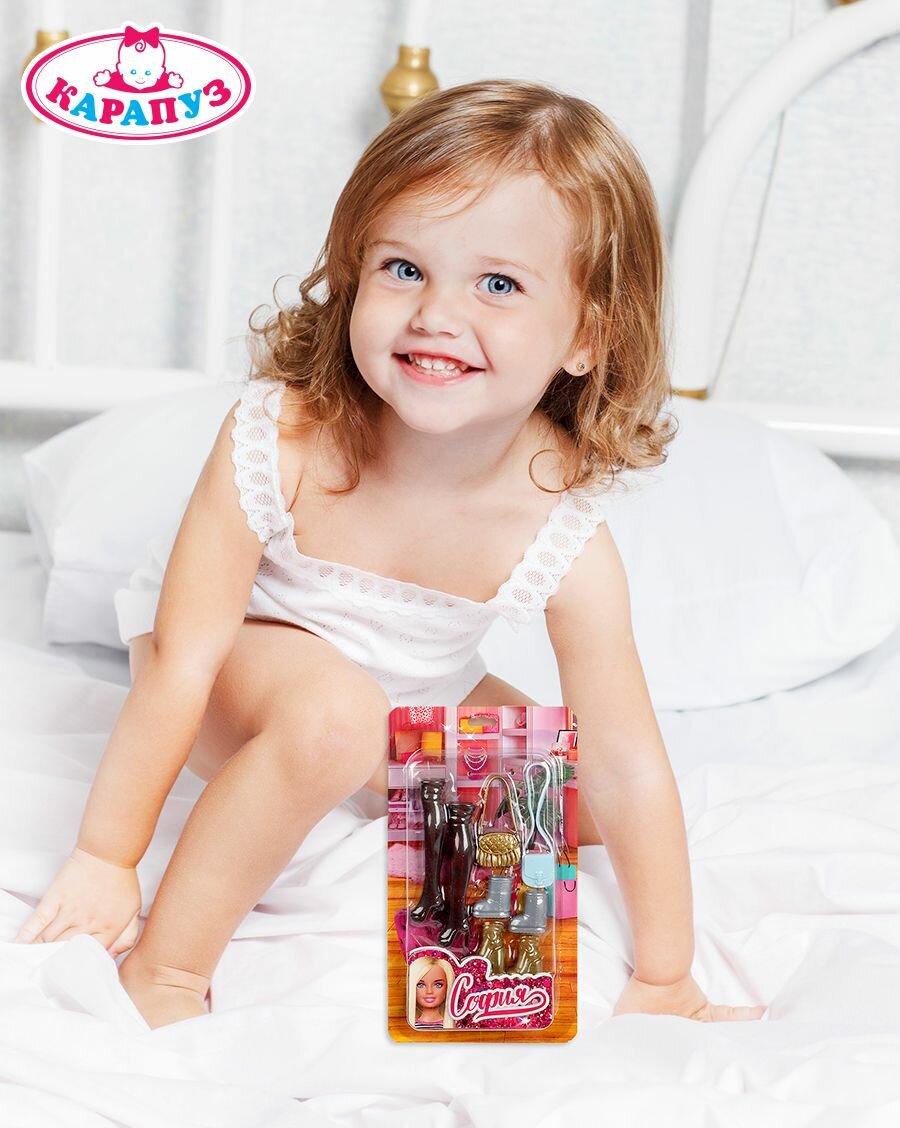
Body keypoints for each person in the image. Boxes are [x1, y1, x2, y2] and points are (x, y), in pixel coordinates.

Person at [13, 79, 766, 1030]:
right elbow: (183, 661)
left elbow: (629, 763)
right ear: (353, 275)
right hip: (242, 667)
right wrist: (106, 855)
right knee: (333, 716)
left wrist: (667, 976)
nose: (435, 314)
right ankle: (166, 971)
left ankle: (373, 775)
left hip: (413, 685)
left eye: (498, 284)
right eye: (404, 268)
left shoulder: (562, 525)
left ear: (586, 336)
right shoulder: (281, 440)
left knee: (569, 798)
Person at [408, 955, 456, 1030]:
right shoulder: (407, 1027)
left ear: (448, 986)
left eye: (438, 985)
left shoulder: (455, 1027)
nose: (429, 991)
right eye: (420, 985)